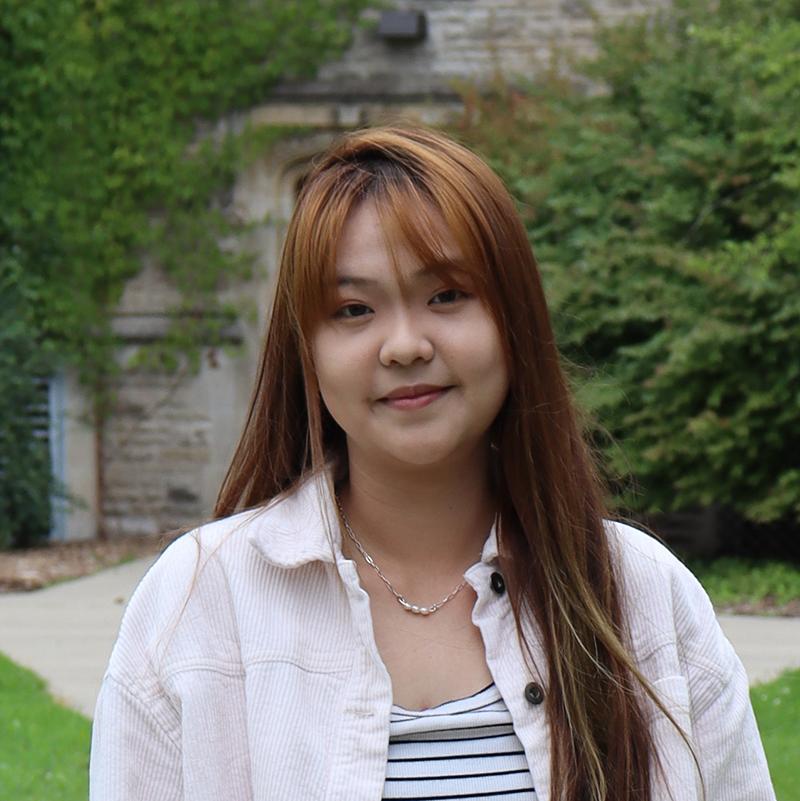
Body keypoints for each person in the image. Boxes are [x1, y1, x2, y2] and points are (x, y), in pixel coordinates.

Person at [89, 126, 775, 801]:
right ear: (307, 351)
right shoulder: (201, 602)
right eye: (354, 309)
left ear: (515, 318)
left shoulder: (642, 597)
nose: (404, 345)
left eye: (445, 295)